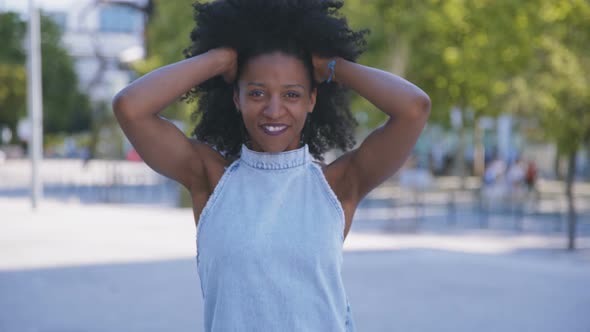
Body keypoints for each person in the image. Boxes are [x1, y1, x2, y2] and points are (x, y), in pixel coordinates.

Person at [112, 0, 430, 331]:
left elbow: (414, 109)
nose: (274, 110)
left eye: (292, 95)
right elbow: (130, 107)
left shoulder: (338, 184)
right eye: (257, 93)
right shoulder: (209, 177)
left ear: (312, 100)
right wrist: (225, 58)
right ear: (236, 98)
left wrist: (332, 65)